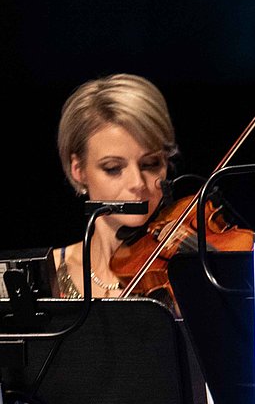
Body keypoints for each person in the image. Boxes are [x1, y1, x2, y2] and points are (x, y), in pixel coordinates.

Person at [52, 73, 180, 300]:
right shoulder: (48, 273)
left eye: (150, 164)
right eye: (113, 168)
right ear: (78, 170)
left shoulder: (185, 272)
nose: (137, 183)